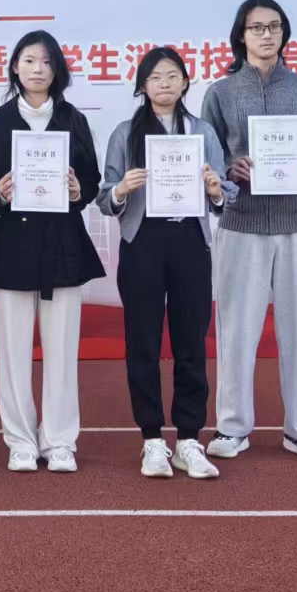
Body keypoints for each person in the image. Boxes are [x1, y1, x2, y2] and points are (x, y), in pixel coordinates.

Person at [200, 0, 297, 463]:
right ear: (241, 36)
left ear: (285, 33)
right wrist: (229, 169)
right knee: (236, 328)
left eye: (274, 26)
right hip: (241, 223)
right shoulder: (221, 93)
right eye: (257, 27)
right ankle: (232, 427)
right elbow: (207, 157)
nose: (266, 35)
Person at [98, 46, 231, 480]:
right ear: (142, 86)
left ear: (186, 82)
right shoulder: (125, 133)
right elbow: (104, 196)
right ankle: (152, 439)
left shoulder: (202, 131)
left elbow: (225, 191)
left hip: (190, 241)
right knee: (143, 342)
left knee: (191, 340)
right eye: (155, 77)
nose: (165, 84)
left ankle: (189, 440)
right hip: (143, 242)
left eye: (173, 75)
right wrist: (122, 189)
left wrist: (215, 189)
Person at [0, 30, 104, 473]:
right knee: (12, 351)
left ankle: (60, 440)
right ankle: (20, 440)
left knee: (62, 349)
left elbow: (91, 182)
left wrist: (77, 189)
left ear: (57, 71)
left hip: (62, 246)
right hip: (10, 246)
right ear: (15, 66)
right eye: (29, 60)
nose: (37, 69)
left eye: (47, 62)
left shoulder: (73, 119)